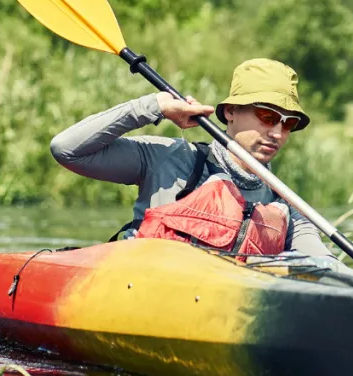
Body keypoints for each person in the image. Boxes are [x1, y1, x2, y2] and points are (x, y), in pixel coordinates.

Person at [50, 58, 337, 260]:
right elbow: (67, 149)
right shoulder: (170, 159)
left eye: (288, 123)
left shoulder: (284, 205)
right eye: (267, 116)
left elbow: (322, 264)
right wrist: (154, 106)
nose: (277, 133)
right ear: (231, 112)